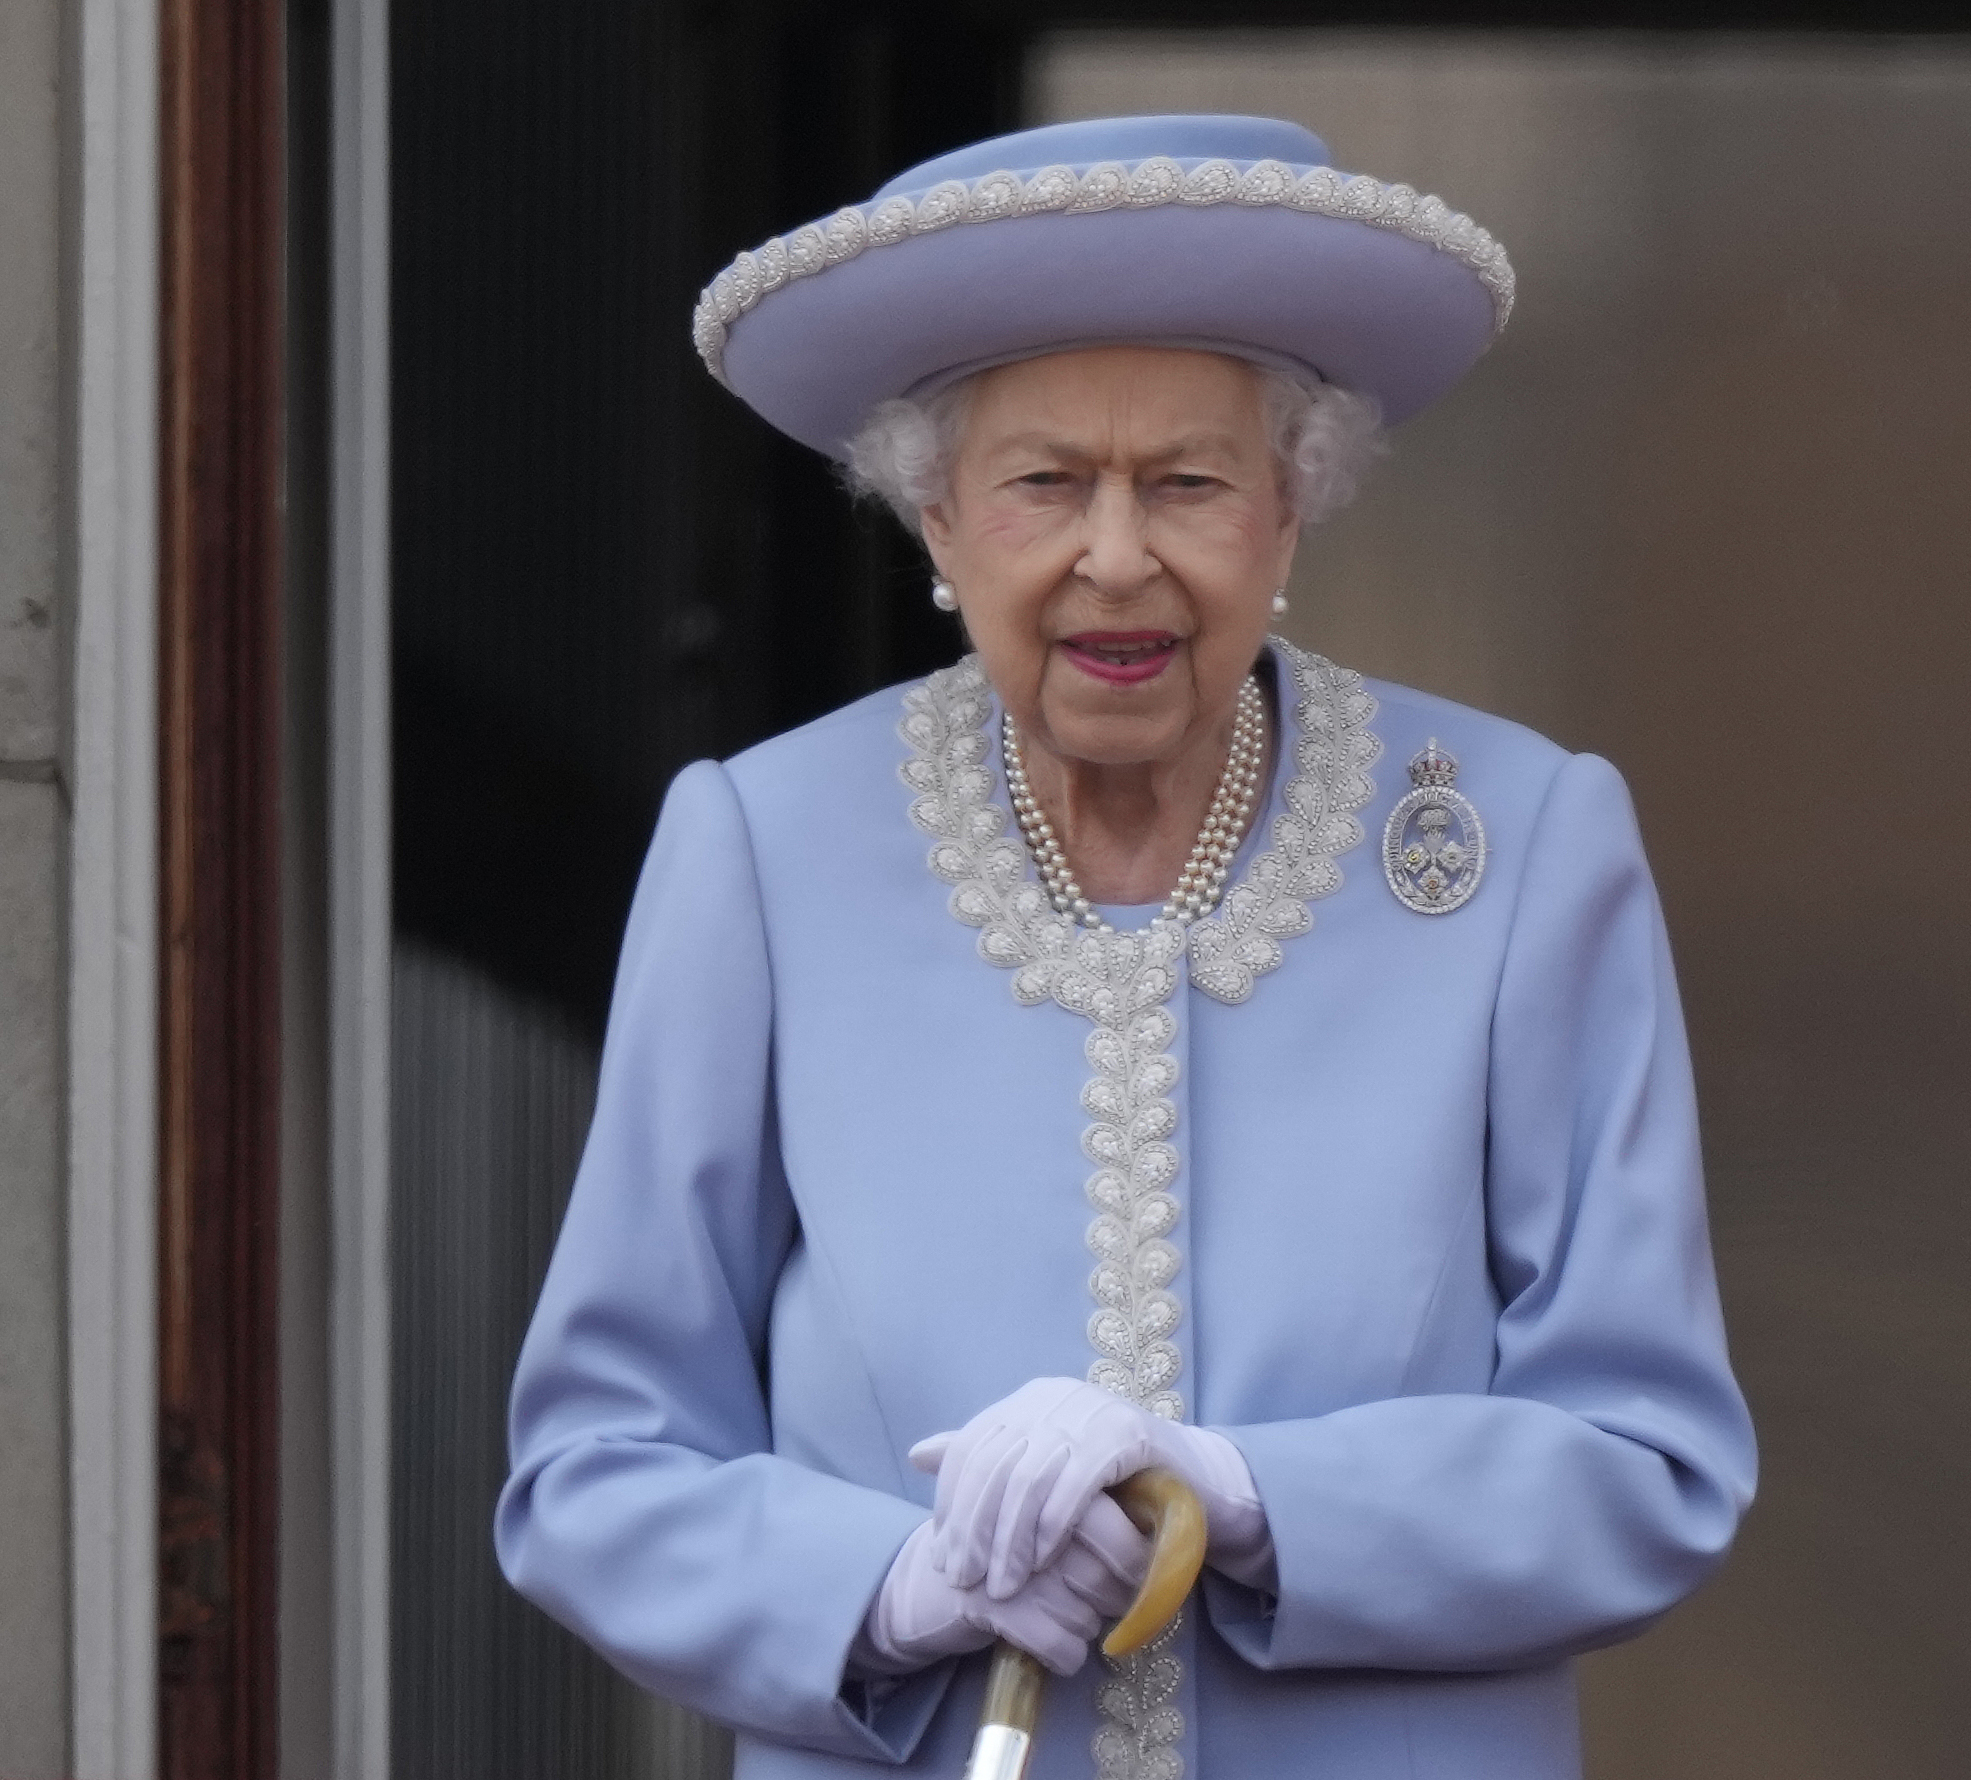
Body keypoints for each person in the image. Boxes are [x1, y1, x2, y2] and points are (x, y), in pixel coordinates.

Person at [495, 113, 1755, 1780]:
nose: (1114, 554)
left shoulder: (1520, 840)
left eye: (1186, 481)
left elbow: (1648, 1460)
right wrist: (891, 1587)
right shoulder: (764, 848)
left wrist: (1235, 1496)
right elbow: (592, 1465)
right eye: (1040, 484)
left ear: (1288, 512)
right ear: (934, 521)